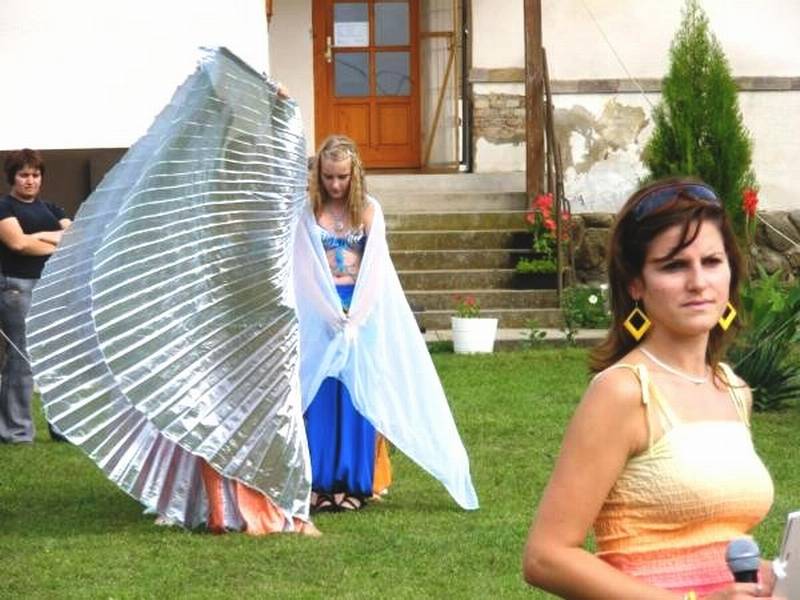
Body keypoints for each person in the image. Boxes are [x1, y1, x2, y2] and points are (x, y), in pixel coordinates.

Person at [522, 177, 778, 599]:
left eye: (712, 261)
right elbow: (546, 557)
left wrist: (771, 577)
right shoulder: (623, 392)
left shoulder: (733, 390)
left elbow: (711, 546)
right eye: (674, 266)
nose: (698, 282)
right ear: (635, 283)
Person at [293, 135, 478, 513]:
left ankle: (354, 484)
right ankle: (319, 484)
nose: (335, 185)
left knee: (358, 395)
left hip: (360, 317)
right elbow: (304, 267)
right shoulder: (308, 211)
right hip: (320, 316)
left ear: (355, 174)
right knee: (321, 396)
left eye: (342, 177)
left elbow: (375, 268)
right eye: (328, 177)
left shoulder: (369, 210)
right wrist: (329, 313)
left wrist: (355, 317)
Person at [0, 149, 71, 443]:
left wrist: (38, 237)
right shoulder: (4, 207)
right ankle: (16, 432)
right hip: (16, 286)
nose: (30, 180)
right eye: (24, 175)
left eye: (35, 174)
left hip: (50, 286)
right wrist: (54, 240)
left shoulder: (52, 208)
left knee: (56, 354)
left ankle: (62, 427)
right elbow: (18, 245)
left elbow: (75, 237)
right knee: (22, 357)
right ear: (12, 177)